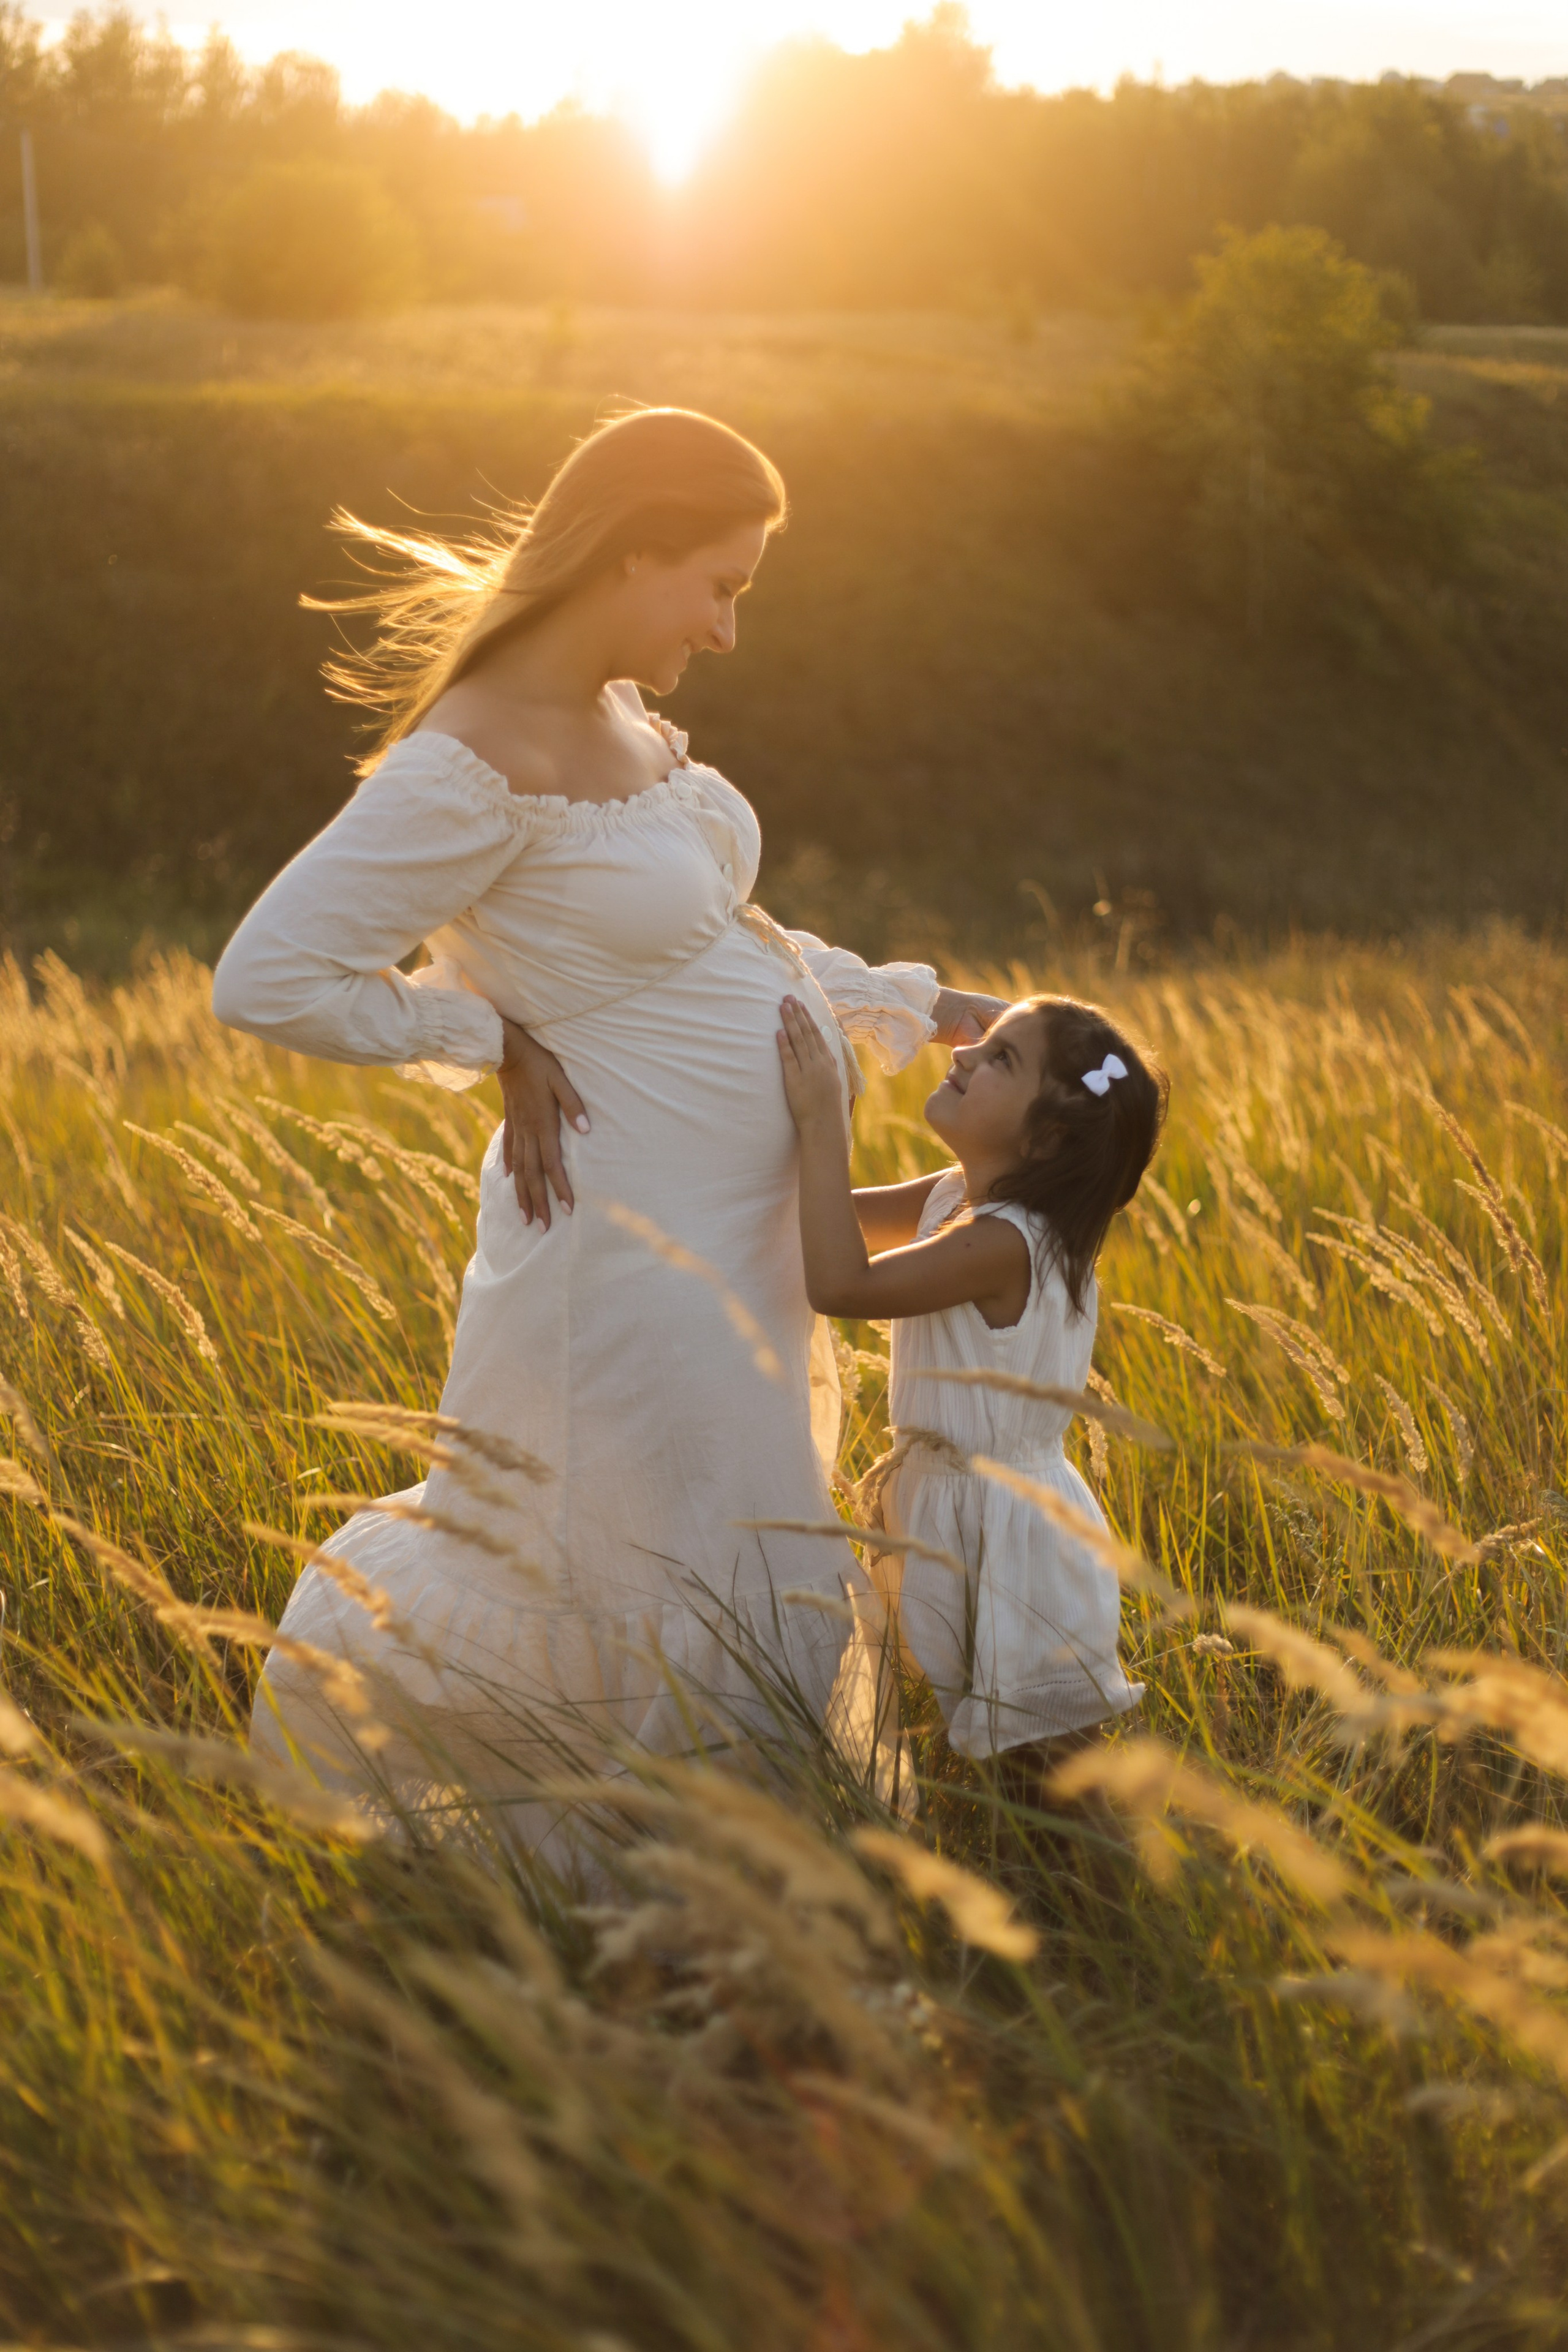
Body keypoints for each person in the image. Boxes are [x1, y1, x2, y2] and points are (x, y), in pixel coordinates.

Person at [209, 405, 1003, 1834]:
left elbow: (715, 940)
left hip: (741, 1243)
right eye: (721, 584)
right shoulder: (473, 755)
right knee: (638, 1565)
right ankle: (623, 1895)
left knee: (741, 1562)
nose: (727, 629)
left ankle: (732, 1893)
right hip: (621, 1249)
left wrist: (923, 1002)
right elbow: (269, 976)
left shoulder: (625, 720)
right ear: (633, 554)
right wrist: (486, 1032)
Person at [774, 987, 1166, 1771]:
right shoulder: (954, 1199)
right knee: (973, 1764)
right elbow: (812, 1220)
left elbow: (842, 1284)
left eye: (1000, 1059)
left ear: (1048, 1139)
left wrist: (823, 1122)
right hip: (948, 1515)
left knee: (1050, 1782)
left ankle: (1097, 1890)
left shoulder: (1010, 1243)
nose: (961, 1053)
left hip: (1011, 1537)